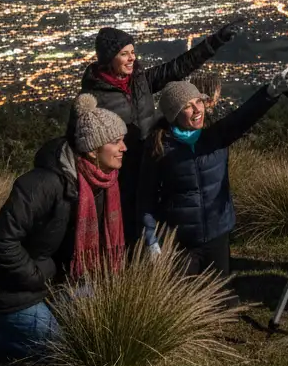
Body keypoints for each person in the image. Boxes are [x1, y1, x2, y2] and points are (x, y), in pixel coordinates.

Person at [0, 94, 128, 360]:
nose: (124, 148)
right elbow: (1, 242)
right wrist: (36, 277)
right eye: (116, 142)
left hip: (53, 282)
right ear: (92, 149)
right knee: (59, 351)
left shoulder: (100, 184)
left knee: (98, 332)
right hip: (8, 288)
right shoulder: (42, 184)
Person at [74, 21, 239, 246]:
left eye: (133, 52)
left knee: (154, 220)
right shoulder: (94, 96)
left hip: (152, 160)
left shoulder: (139, 81)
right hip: (120, 172)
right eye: (124, 54)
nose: (132, 58)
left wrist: (214, 42)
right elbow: (81, 140)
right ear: (109, 58)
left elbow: (177, 68)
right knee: (124, 229)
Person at [139, 68, 288, 279]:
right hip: (181, 239)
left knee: (222, 298)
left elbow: (243, 117)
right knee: (187, 302)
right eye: (187, 106)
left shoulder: (214, 136)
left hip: (217, 234)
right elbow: (146, 196)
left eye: (199, 102)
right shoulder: (159, 149)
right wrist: (151, 239)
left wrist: (269, 93)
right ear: (173, 115)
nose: (197, 110)